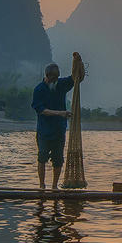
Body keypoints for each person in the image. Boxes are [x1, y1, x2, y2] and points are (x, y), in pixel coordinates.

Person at [31, 60, 79, 190]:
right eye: (53, 78)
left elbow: (77, 78)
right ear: (47, 76)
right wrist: (61, 113)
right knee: (42, 157)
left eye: (57, 78)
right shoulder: (39, 90)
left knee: (58, 159)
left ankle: (54, 186)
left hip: (59, 130)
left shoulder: (61, 85)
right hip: (44, 132)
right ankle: (42, 186)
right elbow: (42, 111)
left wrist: (77, 62)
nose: (55, 81)